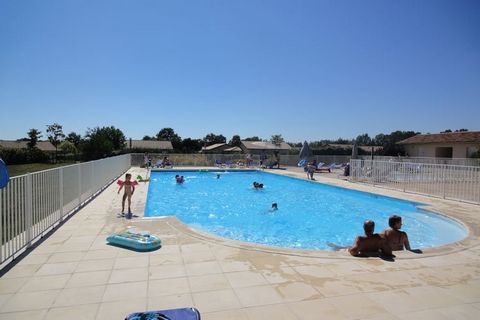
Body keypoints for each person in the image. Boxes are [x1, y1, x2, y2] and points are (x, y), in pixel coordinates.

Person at [328, 220, 394, 258]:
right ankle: (338, 247)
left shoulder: (360, 239)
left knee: (347, 248)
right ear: (373, 228)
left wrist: (363, 255)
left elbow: (353, 251)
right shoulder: (379, 238)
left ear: (363, 227)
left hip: (361, 249)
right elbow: (389, 252)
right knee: (347, 247)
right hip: (373, 249)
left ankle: (337, 247)